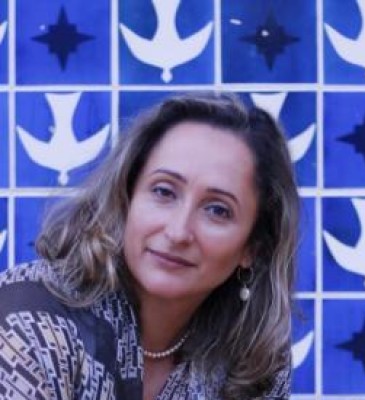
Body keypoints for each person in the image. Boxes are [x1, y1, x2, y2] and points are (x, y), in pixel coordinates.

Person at [0, 92, 299, 399]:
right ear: (126, 197)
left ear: (253, 248)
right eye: (164, 192)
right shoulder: (28, 319)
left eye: (217, 210)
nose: (178, 232)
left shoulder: (255, 358)